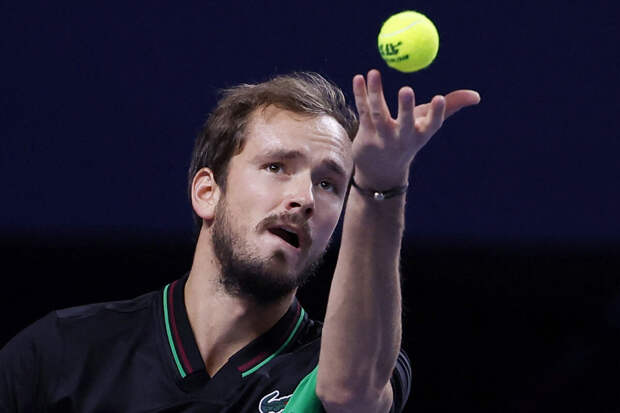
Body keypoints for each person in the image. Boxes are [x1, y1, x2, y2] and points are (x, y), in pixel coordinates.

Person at [0, 69, 480, 412]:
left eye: (329, 183)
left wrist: (379, 184)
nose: (304, 198)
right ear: (207, 192)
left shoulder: (340, 362)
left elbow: (350, 394)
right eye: (276, 167)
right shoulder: (60, 353)